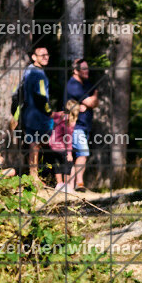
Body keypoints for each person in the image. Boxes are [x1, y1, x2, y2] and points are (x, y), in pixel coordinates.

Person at [62, 58, 99, 190]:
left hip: (84, 126)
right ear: (75, 70)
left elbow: (94, 102)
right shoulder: (74, 85)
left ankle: (71, 186)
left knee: (77, 155)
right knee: (82, 153)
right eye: (83, 68)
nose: (87, 70)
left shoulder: (85, 84)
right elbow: (91, 102)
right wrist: (91, 100)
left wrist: (92, 99)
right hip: (75, 126)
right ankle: (79, 183)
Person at [20, 46, 52, 182]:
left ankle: (33, 173)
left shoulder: (27, 71)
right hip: (36, 115)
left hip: (28, 113)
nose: (45, 57)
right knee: (36, 143)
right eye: (41, 55)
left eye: (47, 54)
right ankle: (34, 175)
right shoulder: (38, 73)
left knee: (33, 143)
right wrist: (49, 112)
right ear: (34, 57)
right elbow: (41, 95)